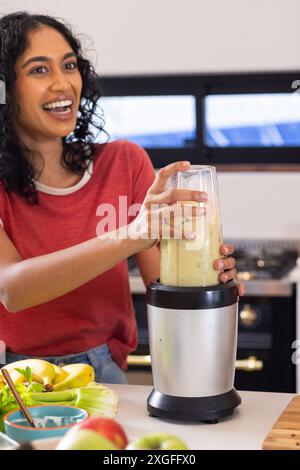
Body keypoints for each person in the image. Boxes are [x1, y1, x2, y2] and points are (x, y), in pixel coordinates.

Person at [0, 12, 243, 383]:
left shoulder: (124, 163)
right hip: (16, 379)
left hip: (103, 369)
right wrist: (130, 234)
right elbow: (12, 289)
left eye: (69, 65)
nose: (63, 83)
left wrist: (208, 285)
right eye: (38, 70)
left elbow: (163, 284)